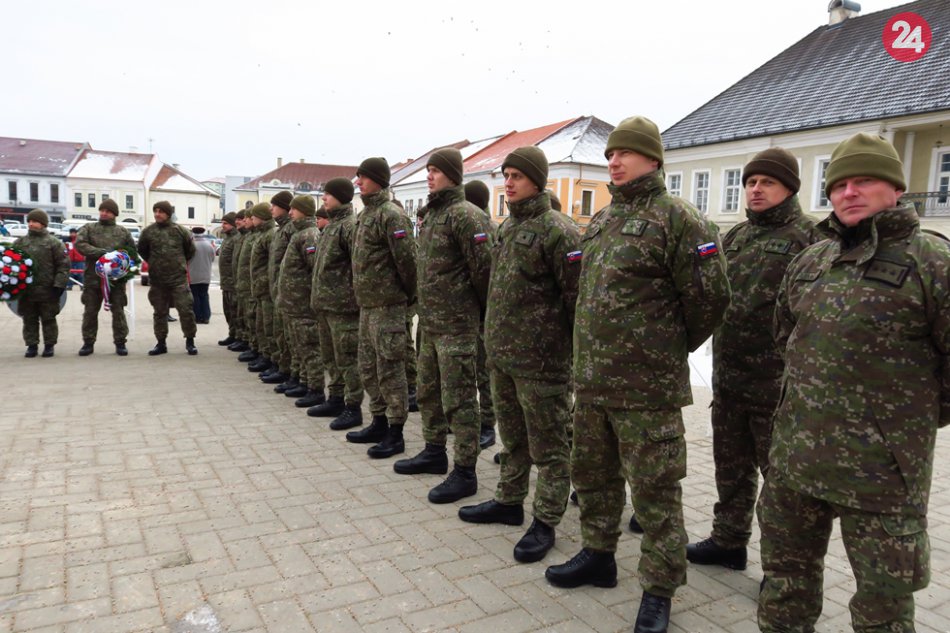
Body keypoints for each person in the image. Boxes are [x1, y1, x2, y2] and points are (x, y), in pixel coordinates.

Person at [544, 116, 730, 633]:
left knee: (655, 494)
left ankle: (659, 588)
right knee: (594, 477)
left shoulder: (680, 220)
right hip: (593, 384)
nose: (614, 161)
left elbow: (711, 300)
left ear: (653, 158)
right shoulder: (604, 218)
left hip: (647, 390)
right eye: (610, 154)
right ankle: (598, 554)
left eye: (624, 153)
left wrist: (662, 348)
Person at [758, 132, 950, 632]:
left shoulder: (933, 262)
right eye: (839, 184)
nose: (849, 192)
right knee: (785, 587)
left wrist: (899, 424)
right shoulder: (812, 261)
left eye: (864, 180)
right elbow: (785, 340)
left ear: (896, 188)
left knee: (882, 609)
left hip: (882, 475)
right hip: (795, 462)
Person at [686, 148, 820, 571]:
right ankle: (728, 541)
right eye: (750, 182)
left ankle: (783, 571)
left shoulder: (811, 239)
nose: (755, 189)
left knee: (781, 484)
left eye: (767, 182)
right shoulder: (736, 236)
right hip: (730, 379)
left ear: (790, 188)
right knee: (731, 469)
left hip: (777, 387)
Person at [458, 148, 580, 563]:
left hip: (542, 364)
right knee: (513, 440)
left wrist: (563, 354)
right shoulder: (508, 227)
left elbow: (576, 300)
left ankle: (545, 520)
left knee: (550, 448)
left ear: (537, 181)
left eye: (516, 176)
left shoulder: (559, 231)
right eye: (506, 175)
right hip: (504, 358)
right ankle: (509, 501)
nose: (508, 183)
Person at [393, 148, 492, 503]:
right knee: (429, 393)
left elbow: (485, 273)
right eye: (429, 170)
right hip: (431, 324)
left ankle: (465, 471)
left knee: (460, 400)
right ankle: (434, 451)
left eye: (436, 170)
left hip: (458, 327)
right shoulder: (433, 215)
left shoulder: (467, 216)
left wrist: (475, 317)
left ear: (452, 174)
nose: (429, 176)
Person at [347, 157, 417, 460]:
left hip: (388, 307)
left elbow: (408, 263)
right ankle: (378, 421)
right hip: (367, 306)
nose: (358, 182)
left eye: (363, 176)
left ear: (377, 179)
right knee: (369, 368)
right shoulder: (365, 215)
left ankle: (395, 431)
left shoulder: (391, 215)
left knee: (390, 369)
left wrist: (403, 297)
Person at [309, 178, 363, 429]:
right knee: (331, 358)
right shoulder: (332, 226)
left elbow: (357, 266)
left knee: (348, 359)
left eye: (328, 194)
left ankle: (353, 407)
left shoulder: (349, 227)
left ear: (340, 196)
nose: (323, 198)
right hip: (326, 305)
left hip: (344, 308)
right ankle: (336, 398)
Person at [276, 195, 326, 409]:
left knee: (310, 347)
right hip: (293, 304)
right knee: (299, 346)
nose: (290, 213)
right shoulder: (299, 233)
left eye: (294, 209)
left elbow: (315, 270)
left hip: (304, 304)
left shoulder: (310, 235)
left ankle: (315, 389)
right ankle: (304, 382)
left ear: (304, 210)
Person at [75, 199, 137, 356]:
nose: (104, 213)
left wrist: (121, 264)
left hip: (115, 281)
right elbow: (80, 244)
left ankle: (120, 343)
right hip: (93, 280)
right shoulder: (89, 228)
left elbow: (131, 253)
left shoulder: (123, 232)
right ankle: (88, 343)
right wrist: (101, 253)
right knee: (90, 312)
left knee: (118, 312)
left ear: (114, 214)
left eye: (107, 211)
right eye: (102, 210)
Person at [463, 178, 498, 450]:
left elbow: (485, 271)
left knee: (485, 373)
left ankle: (488, 424)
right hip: (470, 312)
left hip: (484, 312)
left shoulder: (485, 227)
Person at [137, 201, 198, 356]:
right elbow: (142, 251)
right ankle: (161, 343)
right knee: (159, 312)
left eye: (161, 211)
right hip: (158, 281)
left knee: (186, 310)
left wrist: (177, 263)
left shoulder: (180, 231)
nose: (157, 214)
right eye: (155, 211)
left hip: (178, 280)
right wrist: (155, 263)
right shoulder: (148, 232)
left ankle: (190, 341)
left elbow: (190, 251)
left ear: (168, 213)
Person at [13, 209, 69, 357]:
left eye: (35, 221)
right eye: (29, 221)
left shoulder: (54, 243)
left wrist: (59, 285)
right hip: (27, 291)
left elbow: (63, 265)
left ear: (43, 223)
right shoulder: (20, 243)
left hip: (48, 290)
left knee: (48, 319)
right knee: (29, 319)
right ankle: (32, 345)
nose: (31, 224)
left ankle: (49, 345)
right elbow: (12, 264)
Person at [262, 191, 295, 386]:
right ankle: (281, 366)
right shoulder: (281, 230)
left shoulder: (291, 229)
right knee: (279, 333)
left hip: (289, 293)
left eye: (274, 205)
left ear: (284, 207)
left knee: (287, 335)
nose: (271, 209)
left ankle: (288, 370)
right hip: (277, 290)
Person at [217, 212, 239, 345]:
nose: (223, 225)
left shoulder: (236, 239)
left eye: (225, 223)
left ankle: (237, 336)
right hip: (226, 282)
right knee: (228, 311)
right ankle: (232, 333)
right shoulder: (227, 238)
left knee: (234, 311)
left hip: (233, 282)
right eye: (222, 223)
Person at [189, 226, 215, 324]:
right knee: (204, 295)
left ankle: (198, 317)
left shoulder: (191, 245)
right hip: (206, 275)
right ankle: (206, 316)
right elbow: (212, 259)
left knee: (195, 296)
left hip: (193, 275)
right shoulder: (209, 245)